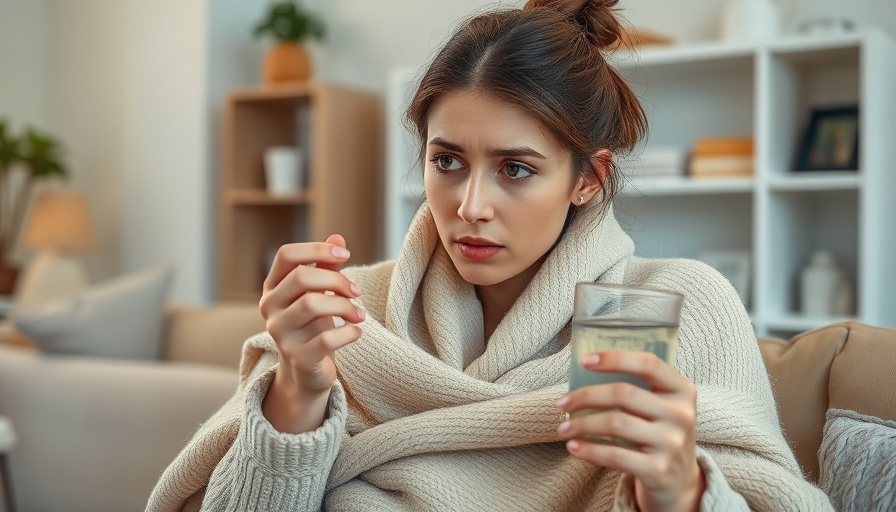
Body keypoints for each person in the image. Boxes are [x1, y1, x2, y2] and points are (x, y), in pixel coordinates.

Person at [148, 1, 832, 510]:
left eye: (516, 168)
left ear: (588, 179)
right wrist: (296, 391)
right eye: (447, 160)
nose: (470, 204)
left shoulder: (678, 305)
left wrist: (680, 487)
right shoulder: (350, 314)